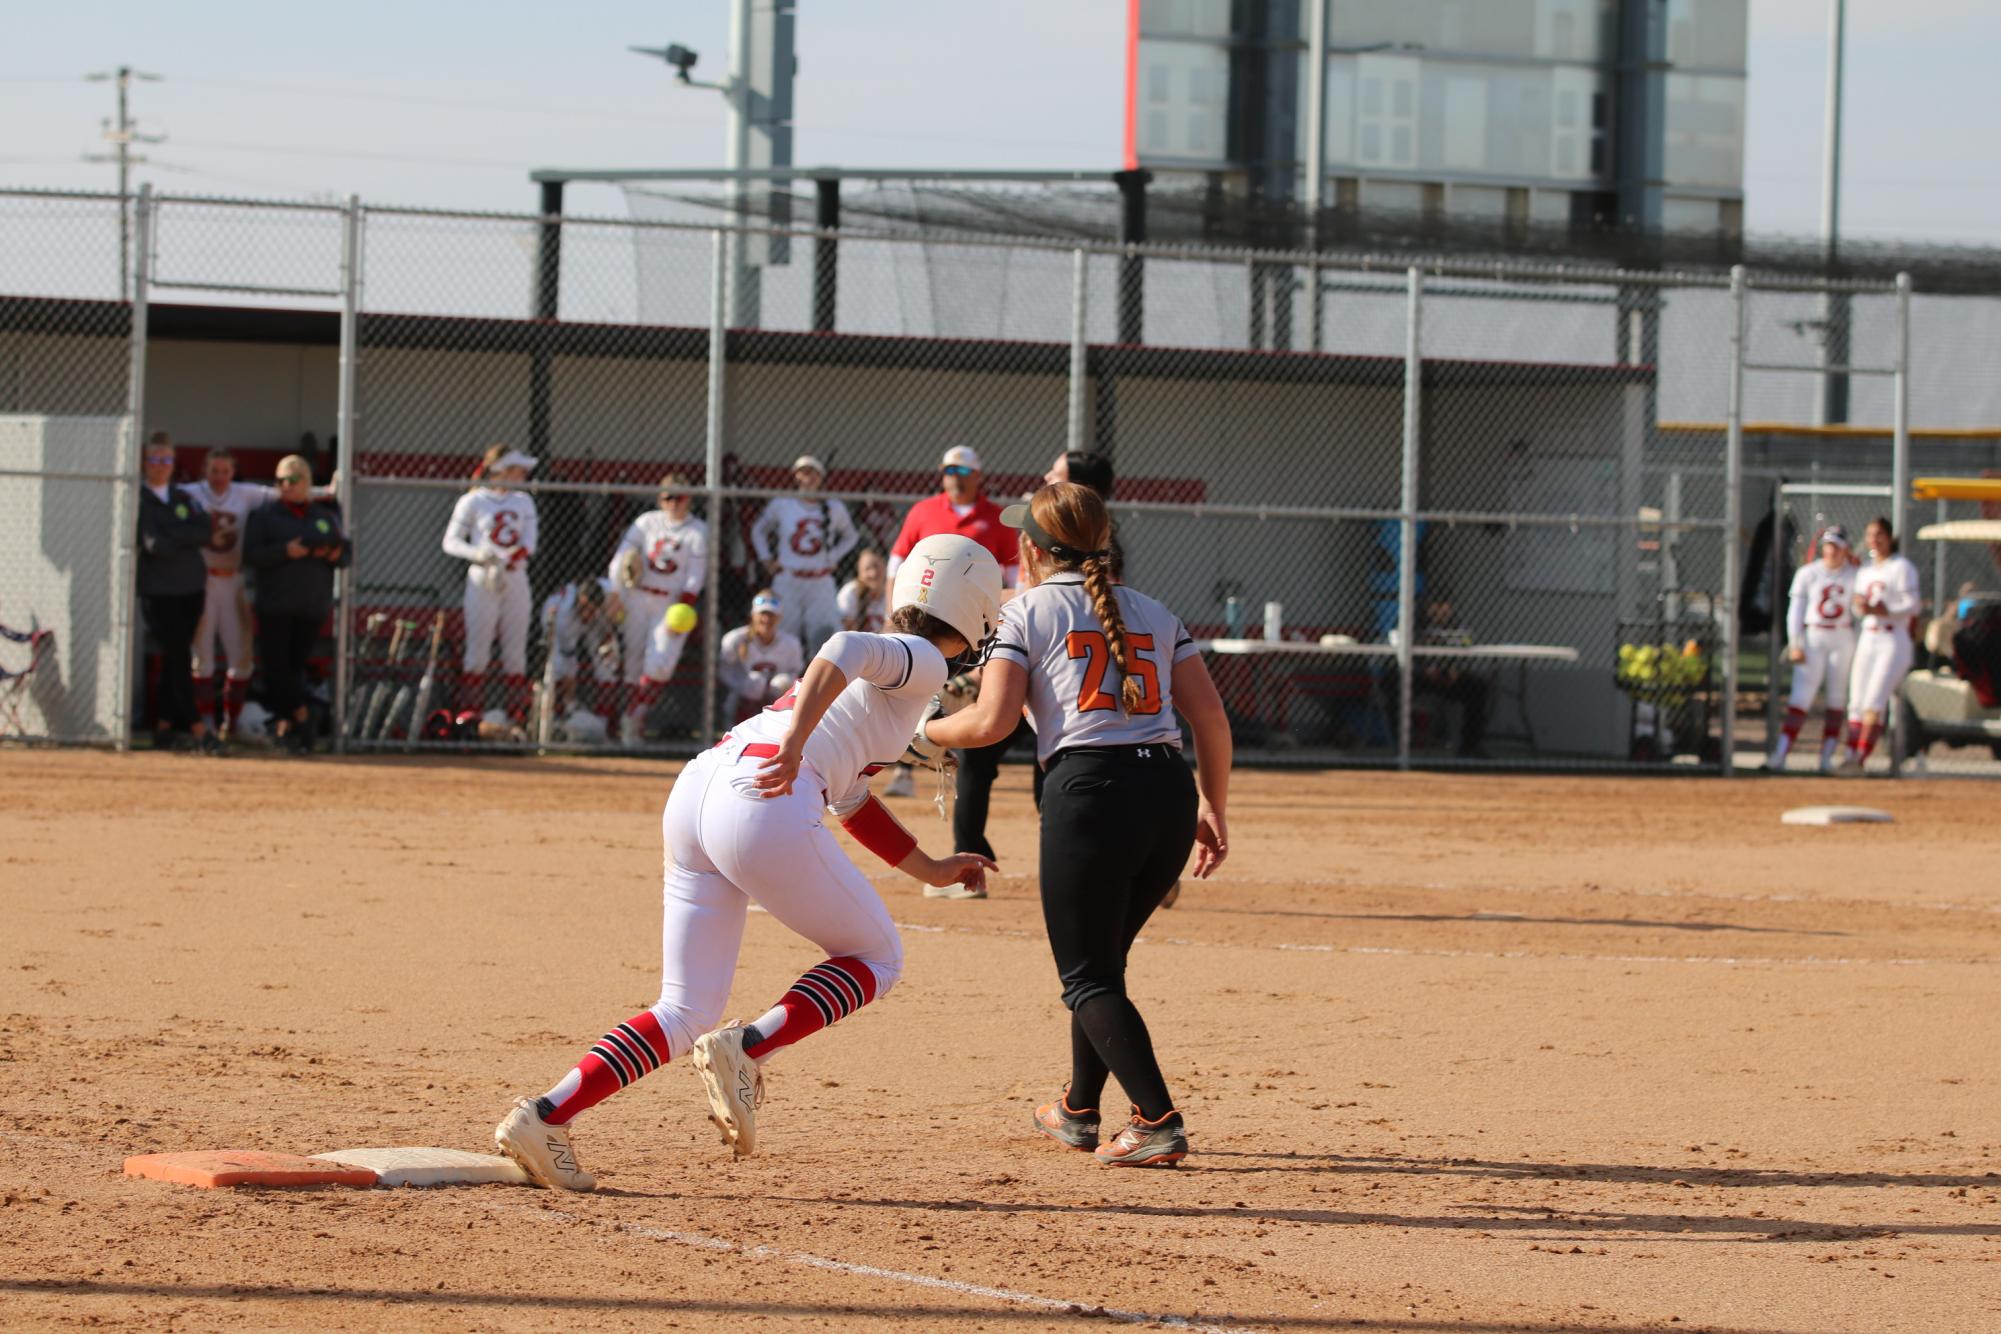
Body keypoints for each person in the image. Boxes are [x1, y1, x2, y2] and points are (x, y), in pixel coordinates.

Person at [493, 534, 1003, 1190]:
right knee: (878, 959)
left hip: (702, 790)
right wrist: (795, 745)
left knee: (683, 1008)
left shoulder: (890, 687)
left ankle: (544, 1115)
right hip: (764, 799)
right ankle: (750, 1047)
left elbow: (851, 801)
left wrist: (929, 868)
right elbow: (843, 648)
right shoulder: (925, 660)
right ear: (975, 610)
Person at [922, 482, 1232, 1167]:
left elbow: (990, 723)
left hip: (1092, 797)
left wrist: (917, 735)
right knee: (1102, 964)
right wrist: (1212, 804)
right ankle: (1077, 1110)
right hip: (1168, 795)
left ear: (1029, 549)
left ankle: (1156, 1119)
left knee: (1086, 978)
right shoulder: (1154, 610)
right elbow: (1209, 719)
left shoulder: (1023, 611)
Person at [889, 447, 1023, 862]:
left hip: (974, 631)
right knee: (916, 693)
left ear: (979, 475)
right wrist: (891, 615)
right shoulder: (924, 511)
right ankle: (902, 766)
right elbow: (899, 562)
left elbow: (1016, 580)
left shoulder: (996, 517)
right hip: (924, 625)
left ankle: (926, 748)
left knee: (961, 707)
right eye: (948, 469)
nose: (954, 475)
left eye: (962, 469)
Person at [243, 455, 350, 755]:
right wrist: (284, 551)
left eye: (291, 480)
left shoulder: (324, 515)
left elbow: (345, 553)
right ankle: (304, 717)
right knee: (277, 667)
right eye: (279, 481)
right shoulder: (265, 514)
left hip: (311, 604)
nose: (284, 486)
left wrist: (333, 554)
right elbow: (250, 555)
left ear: (305, 482)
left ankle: (289, 728)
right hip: (275, 604)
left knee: (294, 668)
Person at [178, 446, 275, 742]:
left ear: (233, 472)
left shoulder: (243, 494)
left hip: (232, 579)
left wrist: (329, 490)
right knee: (202, 654)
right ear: (204, 471)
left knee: (241, 655)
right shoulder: (191, 492)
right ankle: (205, 721)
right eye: (214, 471)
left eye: (225, 471)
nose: (219, 477)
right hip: (202, 579)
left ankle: (230, 726)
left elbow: (284, 492)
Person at [609, 475, 707, 746]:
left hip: (671, 604)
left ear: (690, 499)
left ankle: (634, 714)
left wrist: (685, 603)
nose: (674, 503)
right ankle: (625, 727)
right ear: (660, 500)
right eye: (668, 497)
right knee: (632, 662)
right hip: (637, 597)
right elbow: (621, 557)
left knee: (660, 665)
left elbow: (695, 575)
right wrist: (616, 590)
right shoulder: (646, 522)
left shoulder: (697, 530)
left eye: (680, 497)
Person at [442, 445, 538, 722]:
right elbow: (450, 542)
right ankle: (471, 719)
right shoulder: (473, 500)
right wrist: (480, 554)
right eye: (517, 469)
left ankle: (514, 719)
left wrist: (509, 558)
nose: (522, 474)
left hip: (515, 576)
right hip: (482, 577)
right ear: (500, 471)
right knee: (477, 653)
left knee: (515, 653)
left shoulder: (523, 501)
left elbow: (530, 543)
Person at [136, 432, 218, 753]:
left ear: (173, 463)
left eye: (166, 460)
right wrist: (183, 536)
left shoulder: (183, 498)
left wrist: (175, 535)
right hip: (159, 592)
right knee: (180, 656)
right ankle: (198, 728)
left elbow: (205, 531)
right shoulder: (140, 498)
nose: (160, 466)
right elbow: (155, 545)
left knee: (176, 656)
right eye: (154, 460)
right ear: (145, 463)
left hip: (191, 588)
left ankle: (165, 727)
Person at [1768, 525, 1858, 773]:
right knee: (1801, 696)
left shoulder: (1854, 574)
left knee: (1837, 697)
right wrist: (1795, 643)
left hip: (1842, 636)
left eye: (1837, 547)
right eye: (1828, 546)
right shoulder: (1809, 573)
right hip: (1814, 635)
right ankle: (1781, 753)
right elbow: (1795, 612)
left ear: (1845, 549)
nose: (1832, 552)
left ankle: (1827, 757)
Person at [752, 455, 858, 660]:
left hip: (820, 579)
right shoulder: (782, 504)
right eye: (803, 473)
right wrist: (766, 558)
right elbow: (759, 530)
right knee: (784, 634)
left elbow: (850, 536)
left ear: (820, 478)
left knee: (823, 638)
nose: (807, 478)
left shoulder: (833, 507)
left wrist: (833, 556)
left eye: (812, 473)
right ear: (796, 476)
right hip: (788, 577)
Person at [1838, 515, 1921, 773]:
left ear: (1890, 537)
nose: (1874, 540)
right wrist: (1862, 606)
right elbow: (1858, 605)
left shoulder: (1901, 567)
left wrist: (1885, 608)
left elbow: (1913, 605)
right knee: (1857, 700)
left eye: (1879, 535)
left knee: (1875, 699)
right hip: (1869, 635)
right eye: (1870, 535)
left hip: (1892, 637)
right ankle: (1851, 754)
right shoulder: (1865, 570)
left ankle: (1859, 759)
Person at [839, 549, 913, 795]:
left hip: (888, 657)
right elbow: (847, 635)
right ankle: (848, 771)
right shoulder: (850, 593)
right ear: (859, 573)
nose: (873, 573)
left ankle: (904, 772)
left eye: (877, 567)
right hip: (858, 662)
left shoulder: (896, 593)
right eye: (867, 568)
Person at [540, 576, 623, 725]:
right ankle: (564, 710)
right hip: (557, 618)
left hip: (599, 618)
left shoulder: (607, 591)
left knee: (609, 662)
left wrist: (609, 634)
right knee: (560, 665)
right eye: (583, 608)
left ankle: (605, 719)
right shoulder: (564, 615)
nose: (586, 613)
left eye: (590, 610)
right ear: (579, 600)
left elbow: (618, 606)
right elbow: (567, 658)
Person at [720, 590, 805, 724]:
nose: (766, 619)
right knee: (755, 682)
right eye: (762, 614)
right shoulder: (735, 639)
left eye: (771, 615)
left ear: (779, 617)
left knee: (781, 681)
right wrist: (743, 686)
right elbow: (724, 671)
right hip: (741, 697)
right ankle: (740, 722)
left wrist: (771, 689)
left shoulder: (791, 644)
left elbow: (795, 673)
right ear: (753, 615)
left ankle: (779, 722)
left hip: (776, 696)